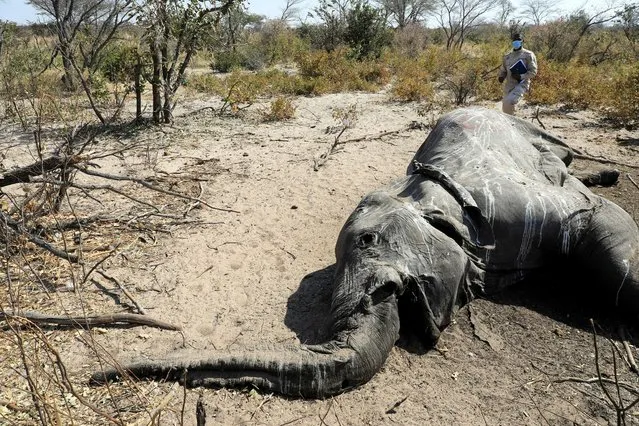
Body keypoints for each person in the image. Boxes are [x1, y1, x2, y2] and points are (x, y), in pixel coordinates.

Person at [498, 33, 537, 115]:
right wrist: (501, 76)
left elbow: (533, 72)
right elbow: (503, 69)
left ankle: (512, 123)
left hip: (521, 84)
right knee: (506, 107)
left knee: (509, 102)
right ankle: (513, 122)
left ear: (522, 41)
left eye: (518, 40)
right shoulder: (507, 56)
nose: (516, 42)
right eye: (514, 40)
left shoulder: (528, 55)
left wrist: (521, 76)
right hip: (509, 86)